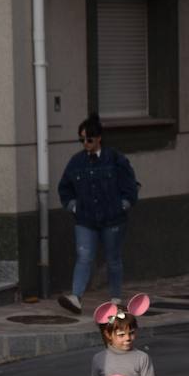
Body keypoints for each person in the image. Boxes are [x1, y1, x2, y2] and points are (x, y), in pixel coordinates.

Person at [57, 114, 139, 314]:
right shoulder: (76, 162)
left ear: (99, 138)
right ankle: (76, 297)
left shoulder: (115, 159)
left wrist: (123, 205)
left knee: (113, 258)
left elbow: (130, 184)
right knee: (84, 256)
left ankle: (116, 297)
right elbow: (65, 188)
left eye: (89, 139)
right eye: (82, 139)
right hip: (85, 218)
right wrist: (73, 206)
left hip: (113, 218)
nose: (85, 143)